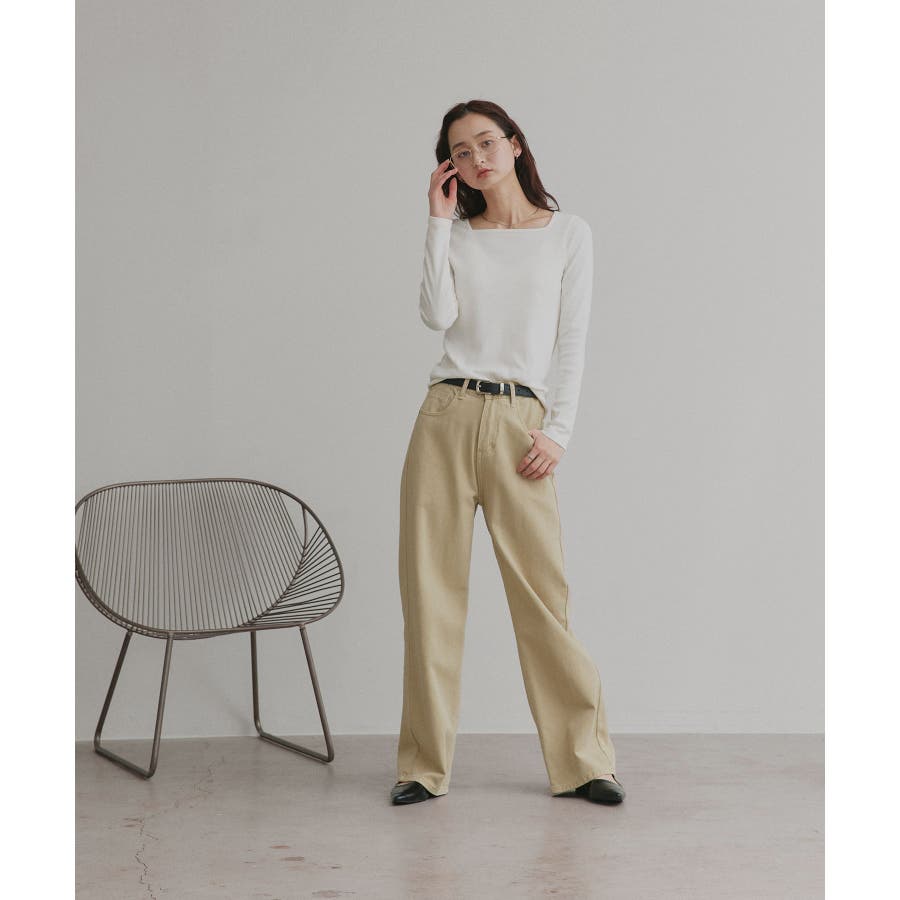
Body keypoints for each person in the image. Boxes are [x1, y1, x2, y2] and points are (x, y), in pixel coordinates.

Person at [391, 100, 625, 807]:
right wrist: (437, 223)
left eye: (487, 142)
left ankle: (583, 761)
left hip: (523, 422)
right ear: (450, 168)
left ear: (516, 145)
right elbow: (436, 315)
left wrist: (559, 431)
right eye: (460, 152)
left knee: (542, 598)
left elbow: (573, 340)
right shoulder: (459, 237)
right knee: (430, 596)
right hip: (445, 415)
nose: (477, 159)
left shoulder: (568, 234)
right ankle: (421, 767)